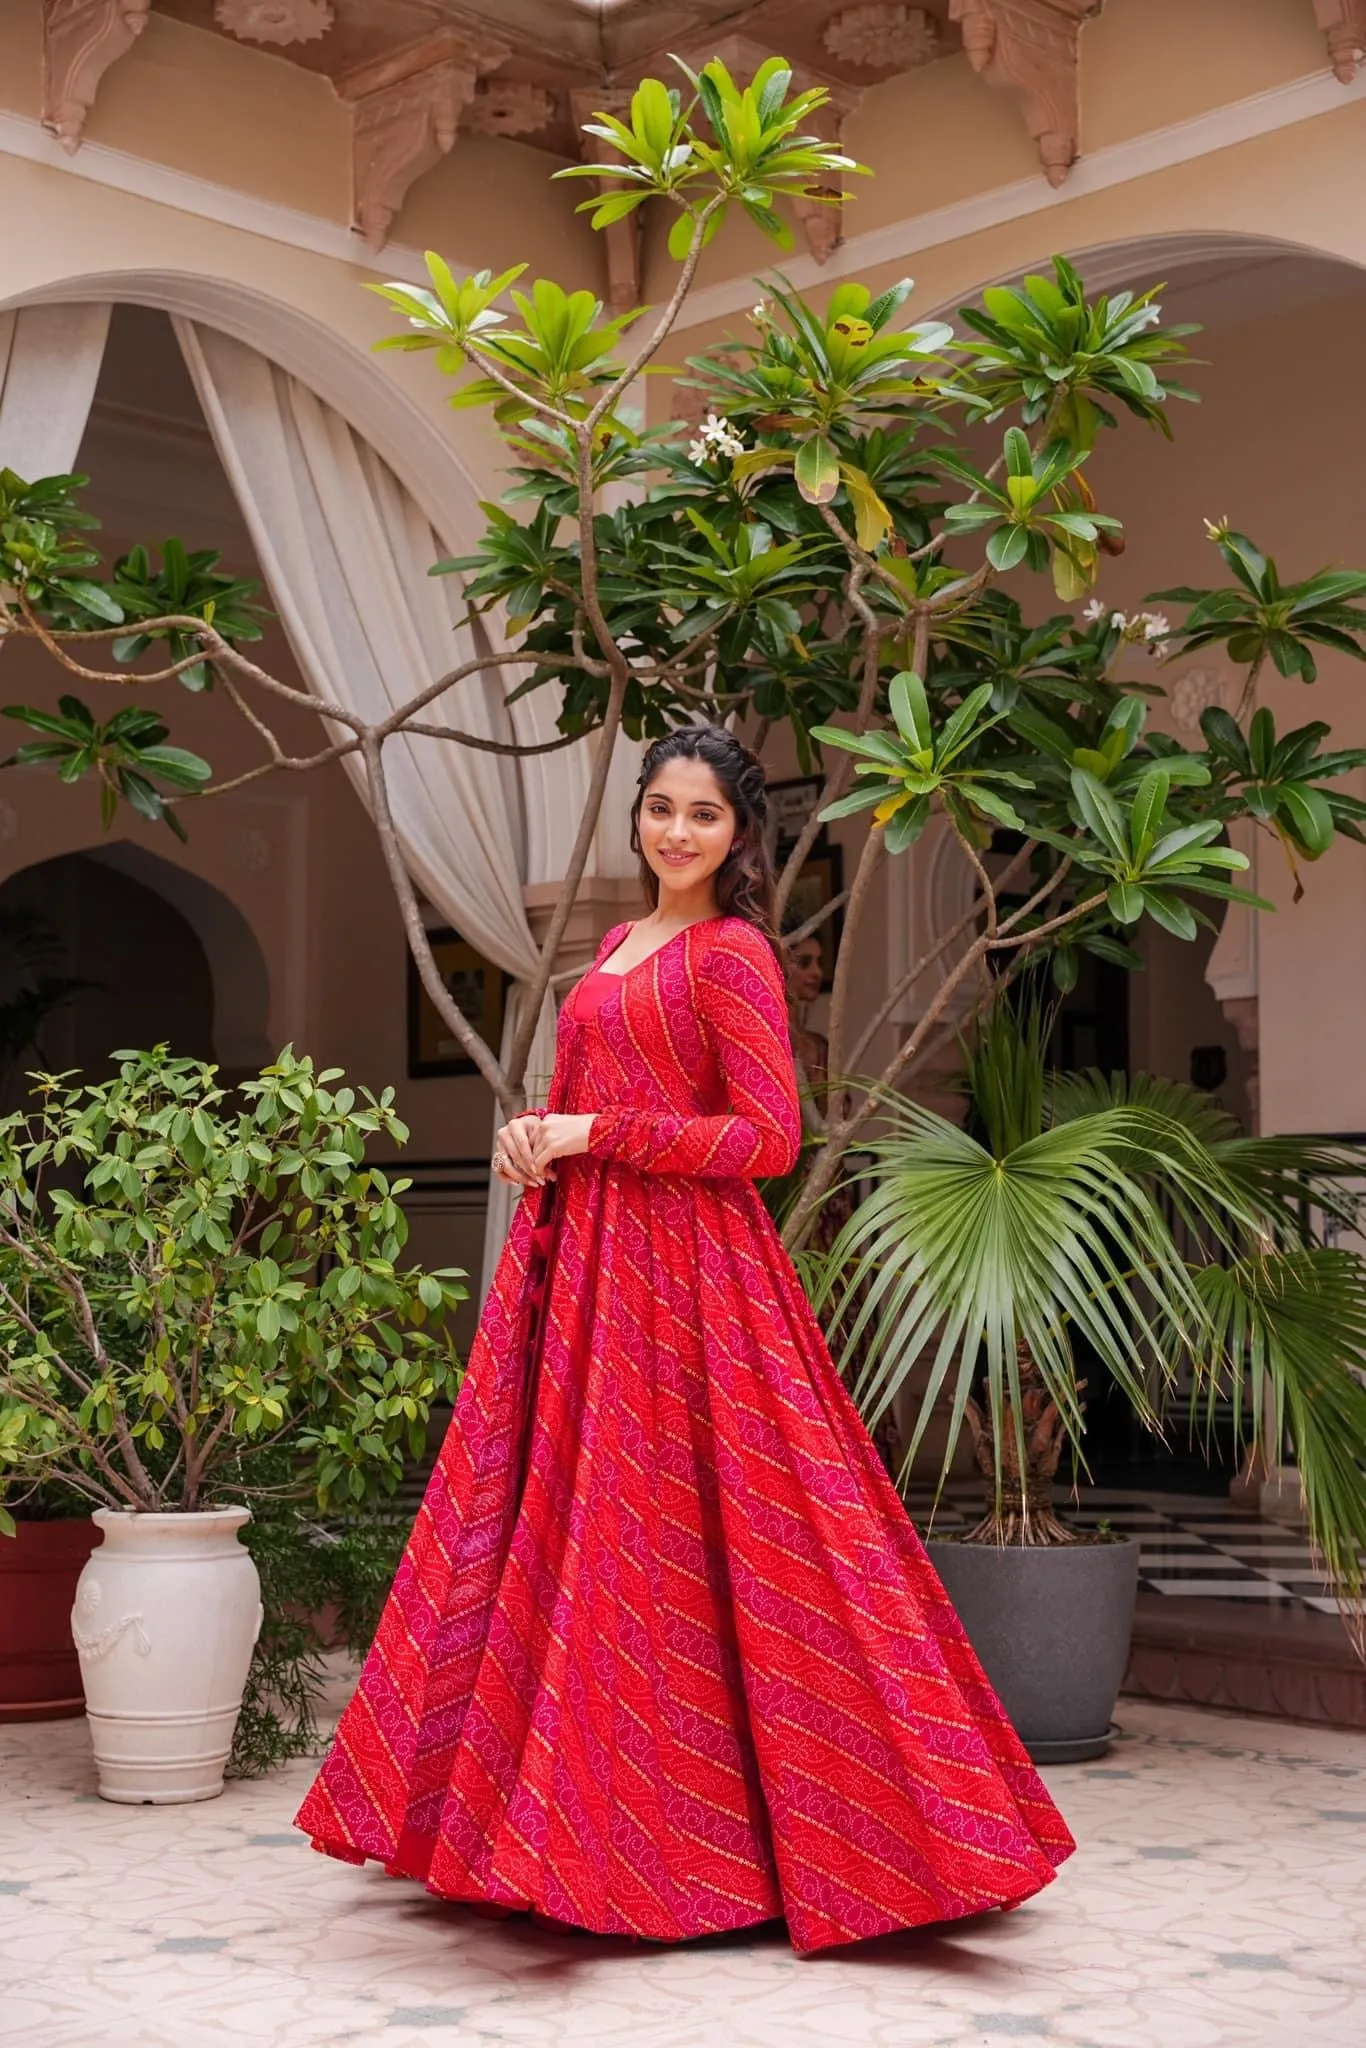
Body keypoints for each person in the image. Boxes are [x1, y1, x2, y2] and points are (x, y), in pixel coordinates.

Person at [295, 725, 1074, 1954]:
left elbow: (768, 1138)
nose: (674, 832)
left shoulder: (734, 955)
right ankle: (560, 1829)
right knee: (582, 1537)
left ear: (739, 834)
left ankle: (804, 1842)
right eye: (659, 808)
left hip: (693, 1282)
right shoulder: (616, 945)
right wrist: (534, 1132)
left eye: (702, 816)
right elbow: (581, 1104)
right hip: (589, 1270)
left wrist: (595, 1129)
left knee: (729, 1543)